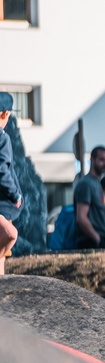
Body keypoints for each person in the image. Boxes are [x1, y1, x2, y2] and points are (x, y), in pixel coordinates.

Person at [0, 92, 22, 274]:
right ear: (5, 114)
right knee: (10, 234)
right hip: (3, 204)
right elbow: (2, 170)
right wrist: (16, 195)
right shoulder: (2, 137)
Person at [74, 146, 105, 249]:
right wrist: (97, 238)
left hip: (100, 239)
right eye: (102, 160)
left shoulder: (96, 183)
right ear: (92, 160)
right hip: (90, 241)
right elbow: (81, 217)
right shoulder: (86, 183)